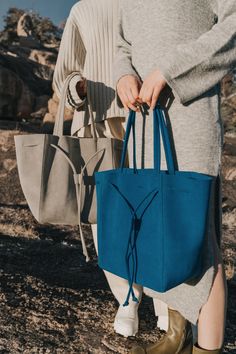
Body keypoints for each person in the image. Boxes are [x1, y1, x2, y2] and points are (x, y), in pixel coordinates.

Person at [114, 0, 236, 353]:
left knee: (198, 239)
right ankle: (177, 335)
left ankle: (205, 349)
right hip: (145, 123)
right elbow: (122, 42)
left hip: (190, 118)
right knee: (156, 231)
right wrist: (123, 73)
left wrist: (170, 71)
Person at [52, 0, 169, 339]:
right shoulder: (83, 9)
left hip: (147, 116)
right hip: (96, 125)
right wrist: (80, 87)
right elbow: (64, 75)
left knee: (155, 208)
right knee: (106, 217)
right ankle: (128, 299)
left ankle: (164, 299)